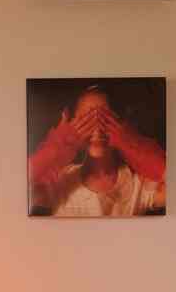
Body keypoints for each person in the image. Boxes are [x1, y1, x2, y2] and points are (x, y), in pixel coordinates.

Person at [28, 85, 165, 217]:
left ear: (122, 123)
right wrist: (59, 144)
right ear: (71, 124)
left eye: (105, 119)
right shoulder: (59, 183)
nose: (97, 131)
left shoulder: (138, 185)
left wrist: (133, 144)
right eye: (87, 120)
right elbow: (14, 190)